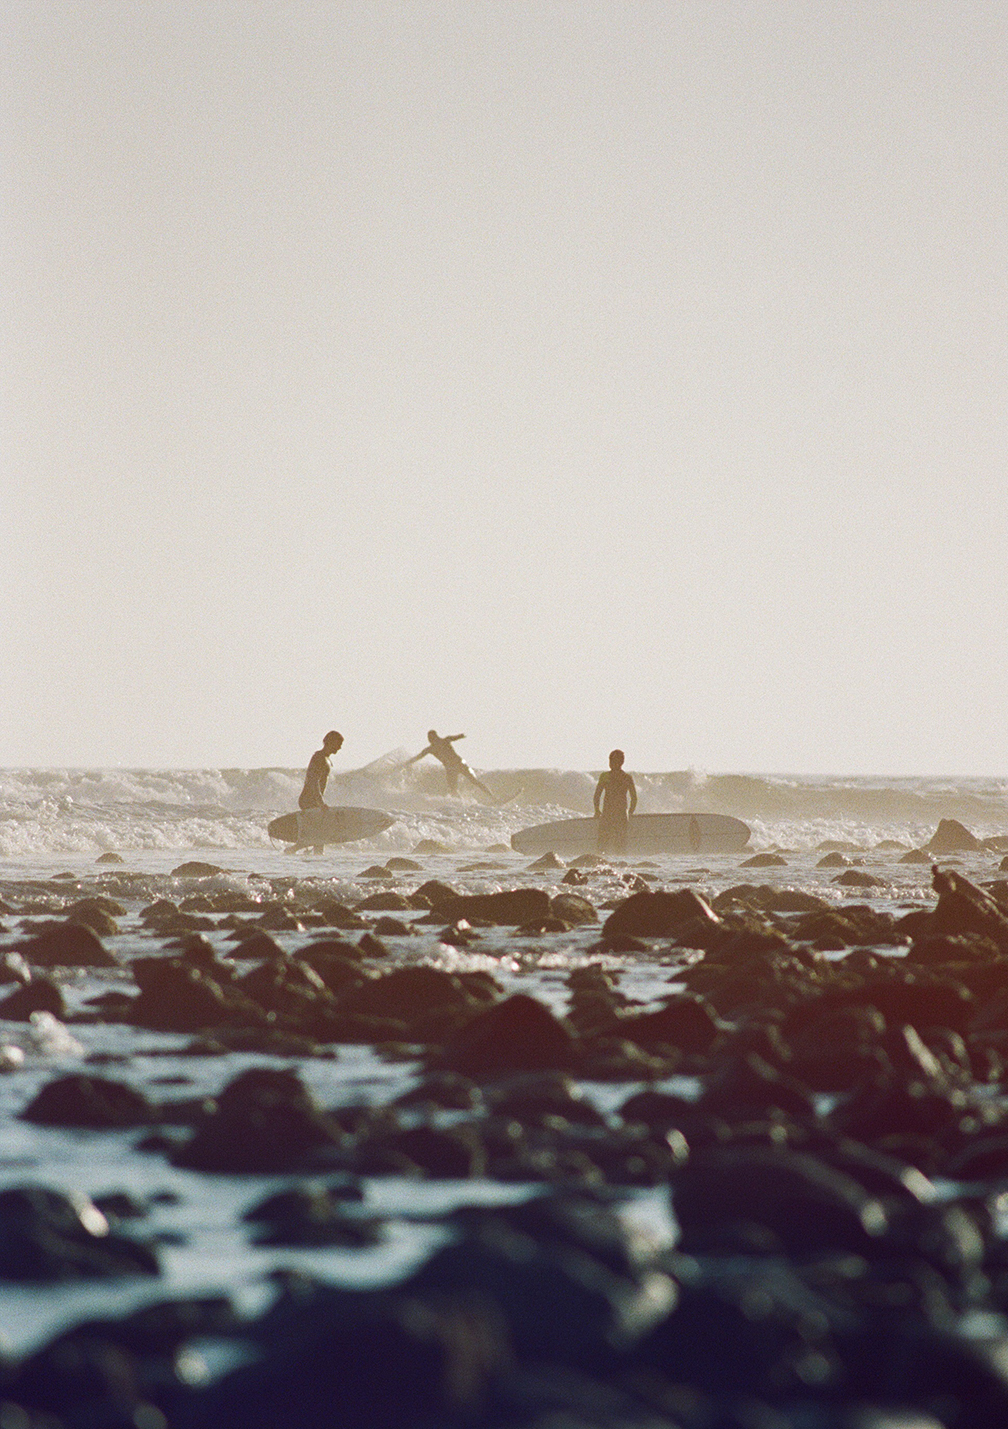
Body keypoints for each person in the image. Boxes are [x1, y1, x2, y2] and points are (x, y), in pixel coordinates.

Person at [407, 729, 494, 799]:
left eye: (431, 738)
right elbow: (418, 757)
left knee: (473, 781)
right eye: (429, 738)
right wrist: (406, 763)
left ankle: (492, 797)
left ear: (435, 737)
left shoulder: (441, 743)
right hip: (452, 767)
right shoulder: (433, 747)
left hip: (458, 764)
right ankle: (461, 803)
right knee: (455, 788)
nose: (429, 740)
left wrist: (461, 735)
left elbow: (454, 737)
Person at [593, 749, 637, 854]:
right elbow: (634, 798)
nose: (611, 764)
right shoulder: (626, 777)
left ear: (620, 762)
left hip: (609, 814)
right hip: (619, 814)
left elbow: (597, 795)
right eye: (611, 761)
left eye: (612, 761)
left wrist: (597, 811)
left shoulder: (606, 776)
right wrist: (630, 812)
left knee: (604, 844)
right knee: (618, 844)